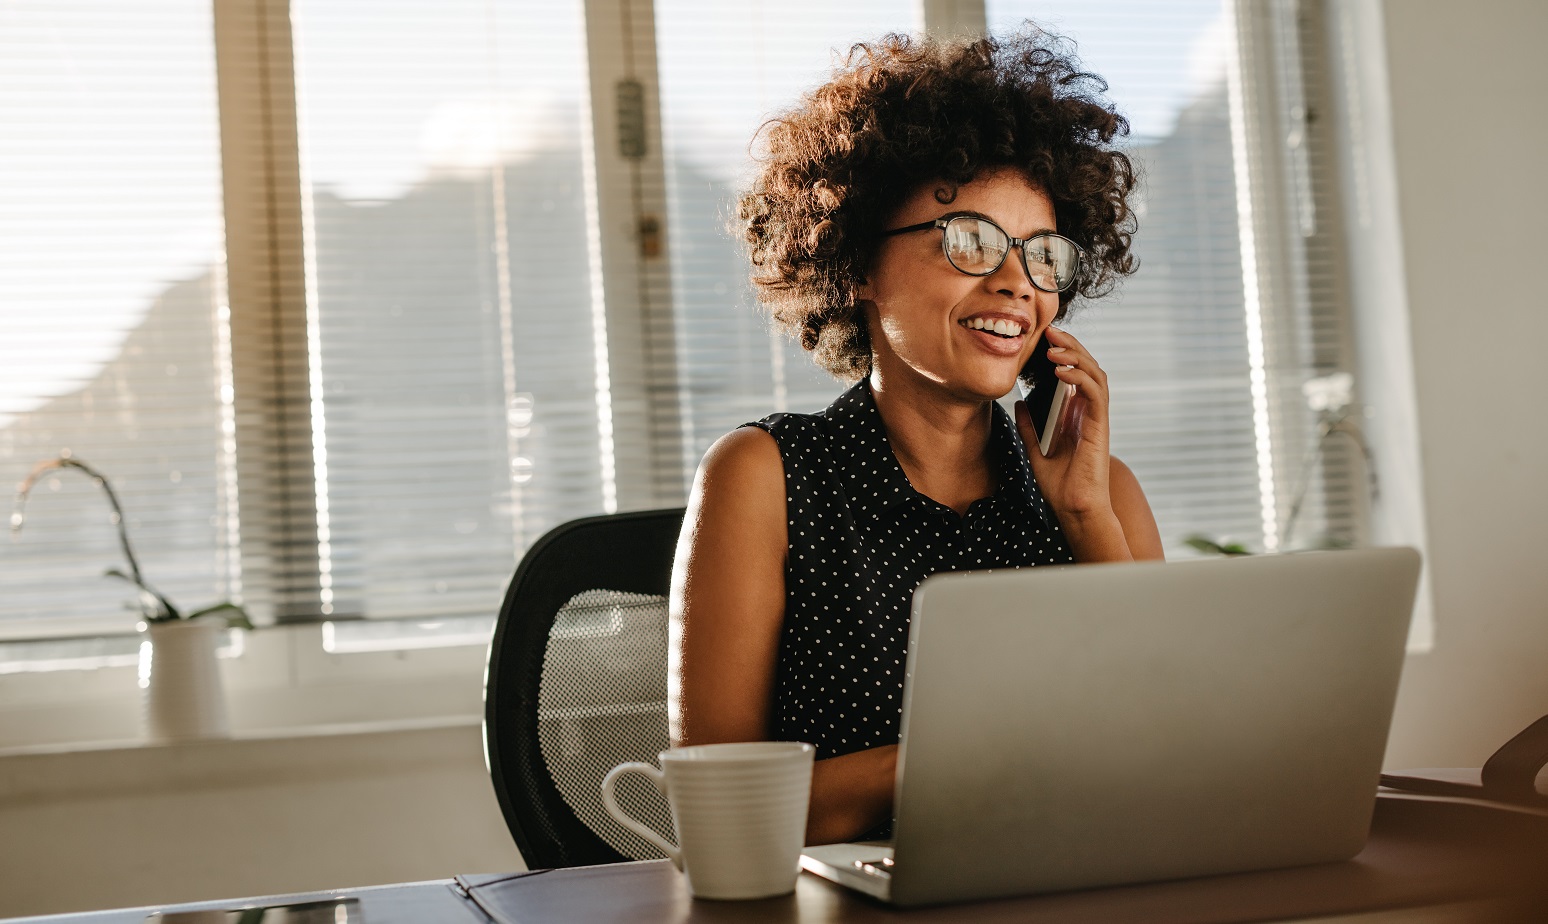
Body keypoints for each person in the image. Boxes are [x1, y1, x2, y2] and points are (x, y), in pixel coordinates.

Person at [668, 28, 1165, 846]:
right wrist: (970, 755)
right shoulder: (764, 477)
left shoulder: (1099, 493)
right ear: (857, 262)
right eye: (969, 240)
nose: (1015, 282)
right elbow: (719, 814)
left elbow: (1174, 759)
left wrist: (1086, 521)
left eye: (1043, 255)